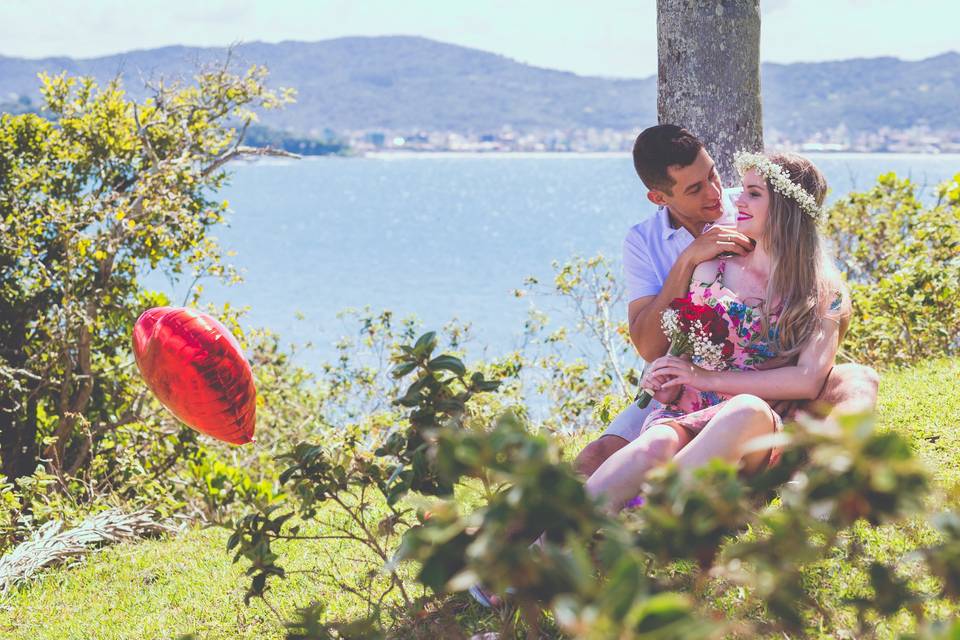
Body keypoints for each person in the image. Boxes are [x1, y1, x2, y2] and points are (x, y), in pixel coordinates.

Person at [573, 126, 879, 479]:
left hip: (772, 374)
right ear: (660, 198)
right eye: (695, 189)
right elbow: (649, 346)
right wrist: (688, 259)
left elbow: (813, 273)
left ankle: (831, 476)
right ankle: (543, 525)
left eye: (713, 174)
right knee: (594, 457)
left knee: (856, 378)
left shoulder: (754, 203)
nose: (717, 193)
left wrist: (784, 355)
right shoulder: (645, 241)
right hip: (691, 377)